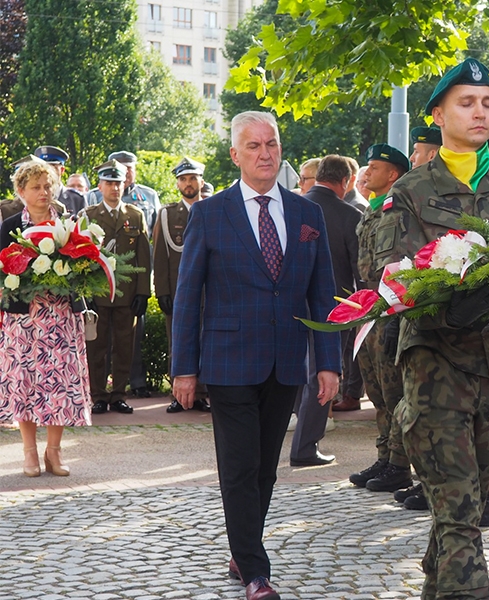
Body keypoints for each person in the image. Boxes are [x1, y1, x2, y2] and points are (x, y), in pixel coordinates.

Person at [373, 57, 489, 600]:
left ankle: (438, 583)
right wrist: (447, 290)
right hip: (435, 363)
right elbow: (387, 276)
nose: (480, 112)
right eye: (467, 102)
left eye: (488, 103)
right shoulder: (409, 191)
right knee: (458, 511)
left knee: (470, 500)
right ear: (439, 113)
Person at [171, 111, 341, 600]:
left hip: (286, 360)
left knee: (266, 467)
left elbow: (322, 293)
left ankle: (241, 545)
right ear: (235, 155)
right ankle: (255, 572)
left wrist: (327, 362)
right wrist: (184, 368)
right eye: (254, 146)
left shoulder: (308, 214)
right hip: (227, 362)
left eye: (272, 144)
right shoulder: (210, 213)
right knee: (240, 464)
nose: (265, 153)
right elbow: (187, 297)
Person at [0, 158, 91, 477]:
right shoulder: (9, 226)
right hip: (23, 321)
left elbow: (85, 264)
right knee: (24, 383)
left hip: (61, 316)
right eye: (36, 186)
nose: (43, 191)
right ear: (21, 191)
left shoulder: (68, 221)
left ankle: (54, 452)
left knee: (59, 384)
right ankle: (28, 453)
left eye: (48, 185)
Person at [348, 143, 415, 493]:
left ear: (393, 174)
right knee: (375, 386)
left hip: (391, 305)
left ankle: (400, 465)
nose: (366, 171)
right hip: (371, 304)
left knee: (394, 390)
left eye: (374, 167)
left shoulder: (399, 209)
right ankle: (386, 455)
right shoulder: (373, 210)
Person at [289, 154, 363, 467]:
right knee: (324, 376)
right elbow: (361, 268)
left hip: (290, 304)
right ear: (345, 182)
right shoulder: (350, 215)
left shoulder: (290, 208)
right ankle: (305, 447)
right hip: (334, 309)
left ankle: (296, 424)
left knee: (296, 372)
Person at [83, 160, 152, 415]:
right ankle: (99, 395)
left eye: (119, 183)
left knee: (125, 346)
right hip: (98, 293)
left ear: (125, 184)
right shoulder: (89, 215)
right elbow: (82, 257)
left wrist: (144, 291)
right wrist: (85, 293)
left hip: (126, 292)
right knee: (96, 346)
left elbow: (143, 256)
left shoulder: (135, 215)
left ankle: (119, 395)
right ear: (99, 186)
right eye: (109, 183)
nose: (114, 188)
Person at [153, 157, 210, 414]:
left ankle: (202, 394)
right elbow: (160, 257)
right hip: (178, 291)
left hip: (210, 292)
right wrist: (162, 292)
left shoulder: (213, 209)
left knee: (207, 341)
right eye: (183, 179)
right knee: (177, 341)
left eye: (193, 178)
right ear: (177, 183)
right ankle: (178, 396)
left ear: (201, 181)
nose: (188, 183)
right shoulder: (166, 214)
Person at [34, 145, 86, 215]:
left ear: (62, 170)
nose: (48, 172)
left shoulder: (77, 199)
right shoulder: (32, 197)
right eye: (43, 168)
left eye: (53, 168)